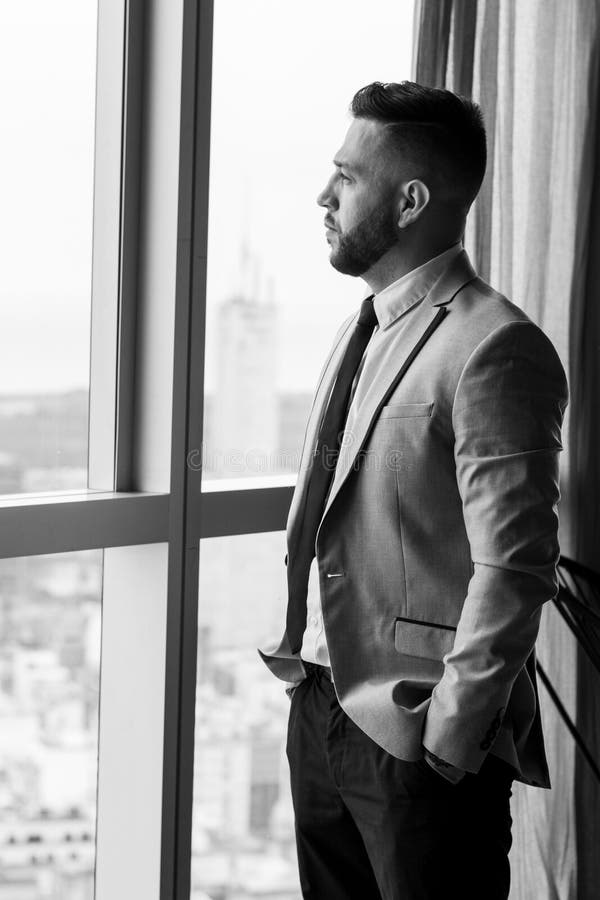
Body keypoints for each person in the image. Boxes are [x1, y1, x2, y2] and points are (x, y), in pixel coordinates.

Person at [258, 81, 569, 900]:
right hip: (321, 706)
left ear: (410, 201)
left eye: (345, 177)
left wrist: (449, 735)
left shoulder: (497, 346)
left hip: (419, 735)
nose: (323, 196)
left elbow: (517, 565)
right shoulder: (358, 327)